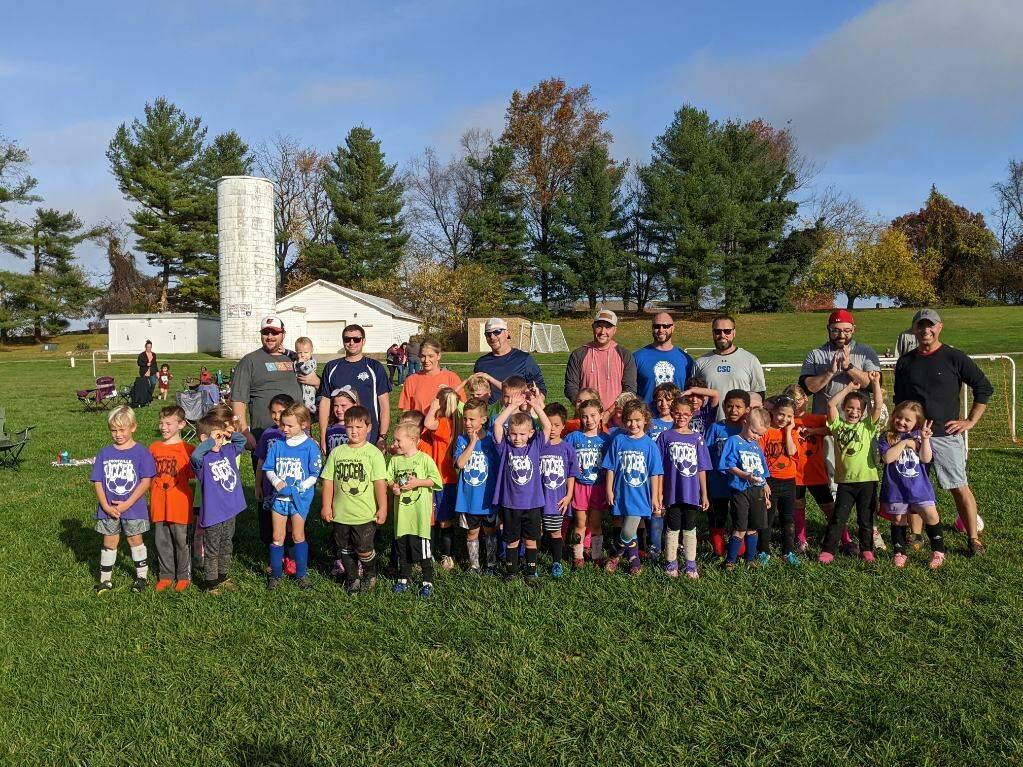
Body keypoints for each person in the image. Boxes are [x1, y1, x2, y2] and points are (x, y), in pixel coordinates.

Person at [894, 308, 993, 555]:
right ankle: (916, 536)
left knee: (958, 486)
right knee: (914, 487)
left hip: (946, 436)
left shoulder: (954, 357)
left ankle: (973, 539)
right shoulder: (905, 362)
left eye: (930, 325)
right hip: (914, 438)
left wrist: (969, 421)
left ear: (940, 327)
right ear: (914, 329)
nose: (925, 330)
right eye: (920, 325)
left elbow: (983, 387)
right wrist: (900, 432)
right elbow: (900, 401)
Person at [320, 406, 388, 594]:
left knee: (364, 549)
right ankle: (353, 579)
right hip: (341, 513)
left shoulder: (373, 453)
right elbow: (328, 481)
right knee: (345, 549)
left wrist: (383, 508)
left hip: (364, 514)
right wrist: (326, 506)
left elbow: (380, 483)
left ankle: (370, 574)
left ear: (369, 427)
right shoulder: (337, 452)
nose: (354, 431)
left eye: (359, 427)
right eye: (350, 427)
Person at [818, 373, 884, 564]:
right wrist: (848, 388)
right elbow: (831, 405)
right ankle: (828, 550)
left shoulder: (868, 427)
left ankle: (867, 549)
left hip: (867, 481)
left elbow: (878, 406)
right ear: (844, 409)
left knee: (865, 519)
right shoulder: (837, 425)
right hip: (845, 483)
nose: (854, 412)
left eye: (858, 409)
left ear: (863, 412)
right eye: (849, 408)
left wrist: (875, 383)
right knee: (838, 518)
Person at [91, 405, 157, 593]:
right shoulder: (104, 453)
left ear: (133, 427)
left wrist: (127, 503)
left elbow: (146, 481)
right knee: (109, 542)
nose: (118, 434)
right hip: (108, 510)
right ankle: (105, 580)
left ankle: (142, 577)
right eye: (113, 430)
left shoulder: (141, 452)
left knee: (135, 540)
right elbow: (97, 481)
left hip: (133, 508)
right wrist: (105, 505)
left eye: (122, 430)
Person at [493, 387, 552, 587]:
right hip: (511, 504)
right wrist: (512, 406)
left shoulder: (535, 446)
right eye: (513, 434)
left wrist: (536, 406)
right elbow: (497, 424)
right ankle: (511, 572)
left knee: (531, 540)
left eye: (521, 434)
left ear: (531, 433)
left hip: (532, 504)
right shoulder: (505, 447)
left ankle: (531, 572)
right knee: (512, 540)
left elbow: (547, 426)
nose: (517, 438)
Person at [879, 401, 945, 569]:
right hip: (896, 489)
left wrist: (925, 439)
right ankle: (899, 552)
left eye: (907, 420)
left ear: (917, 422)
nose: (901, 422)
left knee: (931, 516)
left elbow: (926, 458)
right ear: (893, 416)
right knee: (898, 519)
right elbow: (887, 458)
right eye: (899, 417)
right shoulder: (887, 436)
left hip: (919, 488)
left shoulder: (919, 436)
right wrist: (904, 443)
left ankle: (938, 552)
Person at [263, 403, 323, 591]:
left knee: (298, 535)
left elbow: (315, 474)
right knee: (277, 536)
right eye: (283, 425)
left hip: (299, 499)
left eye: (290, 425)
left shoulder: (310, 446)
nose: (285, 429)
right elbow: (268, 468)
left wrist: (300, 487)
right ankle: (276, 574)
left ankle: (302, 574)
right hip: (280, 499)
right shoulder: (278, 445)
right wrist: (277, 482)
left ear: (303, 424)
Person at [602, 400, 664, 577]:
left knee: (629, 529)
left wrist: (655, 496)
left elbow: (655, 473)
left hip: (641, 495)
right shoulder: (619, 440)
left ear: (645, 419)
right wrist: (609, 490)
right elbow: (610, 468)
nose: (633, 424)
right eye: (629, 420)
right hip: (622, 493)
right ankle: (634, 562)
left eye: (637, 420)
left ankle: (614, 555)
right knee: (629, 529)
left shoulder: (650, 444)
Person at [231, 316, 307, 459]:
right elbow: (238, 400)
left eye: (275, 332)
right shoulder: (249, 361)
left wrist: (316, 381)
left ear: (283, 334)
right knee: (265, 473)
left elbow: (315, 386)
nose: (270, 336)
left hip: (297, 435)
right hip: (265, 436)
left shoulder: (295, 358)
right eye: (266, 332)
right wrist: (244, 432)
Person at [190, 411, 248, 594]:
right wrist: (209, 442)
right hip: (214, 512)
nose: (220, 440)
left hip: (230, 509)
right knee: (212, 547)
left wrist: (229, 434)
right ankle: (210, 583)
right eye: (217, 437)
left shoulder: (227, 451)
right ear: (204, 439)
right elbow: (195, 456)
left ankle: (222, 576)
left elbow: (242, 442)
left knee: (226, 543)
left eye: (222, 437)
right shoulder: (203, 460)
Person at [658, 397, 711, 579]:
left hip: (691, 493)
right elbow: (658, 468)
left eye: (686, 414)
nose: (681, 417)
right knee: (672, 527)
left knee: (690, 528)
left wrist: (704, 494)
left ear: (692, 414)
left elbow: (702, 468)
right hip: (672, 492)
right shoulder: (665, 436)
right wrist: (659, 493)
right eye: (678, 413)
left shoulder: (697, 438)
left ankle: (690, 564)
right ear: (672, 412)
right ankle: (671, 562)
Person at [388, 422, 443, 597]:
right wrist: (394, 487)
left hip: (419, 517)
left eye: (398, 440)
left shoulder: (424, 459)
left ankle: (427, 582)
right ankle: (403, 579)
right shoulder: (395, 460)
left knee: (423, 551)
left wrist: (418, 482)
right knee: (402, 550)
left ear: (412, 440)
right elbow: (389, 479)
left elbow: (436, 481)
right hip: (402, 517)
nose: (395, 444)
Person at [784, 384, 839, 553]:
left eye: (797, 400)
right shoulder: (785, 420)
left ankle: (844, 538)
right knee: (797, 505)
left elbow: (834, 429)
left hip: (815, 472)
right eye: (791, 402)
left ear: (805, 399)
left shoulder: (816, 418)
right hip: (795, 473)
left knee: (829, 507)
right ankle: (801, 539)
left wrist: (814, 431)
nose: (795, 405)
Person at [317, 324, 391, 449]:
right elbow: (325, 402)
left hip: (369, 435)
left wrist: (382, 437)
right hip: (338, 435)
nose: (351, 342)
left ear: (363, 341)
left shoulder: (374, 367)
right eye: (347, 339)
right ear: (343, 341)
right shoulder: (331, 367)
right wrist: (323, 436)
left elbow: (384, 405)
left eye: (356, 339)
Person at [799, 309, 881, 416]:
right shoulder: (815, 354)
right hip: (824, 420)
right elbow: (807, 388)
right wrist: (830, 373)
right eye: (836, 331)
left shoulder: (866, 352)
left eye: (847, 331)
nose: (841, 335)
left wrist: (849, 368)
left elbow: (873, 385)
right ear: (828, 329)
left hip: (858, 421)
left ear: (853, 329)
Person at [718, 406, 772, 570]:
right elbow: (728, 465)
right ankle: (730, 561)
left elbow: (761, 470)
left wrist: (765, 486)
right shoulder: (733, 441)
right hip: (740, 490)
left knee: (753, 528)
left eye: (760, 435)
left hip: (757, 491)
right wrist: (745, 475)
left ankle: (750, 560)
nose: (756, 436)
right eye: (754, 432)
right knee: (740, 527)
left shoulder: (756, 446)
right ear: (745, 422)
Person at [149, 405, 195, 592]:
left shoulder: (188, 449)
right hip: (159, 504)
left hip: (180, 506)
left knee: (182, 542)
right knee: (162, 542)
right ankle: (166, 575)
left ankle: (184, 576)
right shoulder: (154, 448)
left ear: (181, 424)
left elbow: (195, 477)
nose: (163, 427)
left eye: (168, 423)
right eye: (161, 423)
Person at [454, 398, 501, 574]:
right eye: (465, 418)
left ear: (483, 419)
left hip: (488, 499)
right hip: (469, 499)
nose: (467, 423)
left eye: (472, 419)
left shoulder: (492, 440)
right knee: (472, 533)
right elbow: (460, 464)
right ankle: (474, 566)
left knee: (490, 531)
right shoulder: (462, 440)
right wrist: (472, 442)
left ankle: (491, 564)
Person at [704, 390, 751, 558]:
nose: (734, 410)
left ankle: (739, 549)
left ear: (747, 409)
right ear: (723, 406)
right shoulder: (716, 428)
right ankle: (718, 550)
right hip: (718, 482)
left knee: (740, 516)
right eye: (730, 406)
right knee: (718, 516)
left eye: (738, 407)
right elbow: (706, 454)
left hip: (740, 483)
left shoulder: (748, 429)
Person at [565, 397, 611, 568]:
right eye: (585, 416)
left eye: (593, 415)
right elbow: (564, 458)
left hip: (598, 487)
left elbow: (611, 464)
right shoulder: (573, 437)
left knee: (596, 524)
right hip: (579, 487)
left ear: (601, 415)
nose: (589, 420)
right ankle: (578, 557)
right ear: (580, 417)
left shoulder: (606, 439)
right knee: (580, 524)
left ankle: (597, 555)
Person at [564, 309, 637, 413]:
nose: (603, 332)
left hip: (616, 417)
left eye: (608, 327)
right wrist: (586, 411)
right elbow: (571, 387)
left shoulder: (625, 355)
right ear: (593, 327)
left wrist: (609, 413)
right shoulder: (578, 354)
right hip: (586, 417)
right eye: (599, 326)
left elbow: (630, 390)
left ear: (615, 330)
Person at [694, 315, 766, 419]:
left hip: (741, 426)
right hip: (710, 425)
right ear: (713, 333)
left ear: (734, 332)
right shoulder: (701, 362)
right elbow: (693, 395)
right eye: (717, 331)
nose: (722, 335)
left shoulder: (750, 360)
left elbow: (759, 396)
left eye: (727, 331)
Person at [423, 387, 463, 571]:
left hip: (442, 480)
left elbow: (428, 422)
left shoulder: (444, 423)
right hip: (446, 479)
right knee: (439, 518)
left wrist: (433, 407)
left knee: (442, 519)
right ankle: (441, 553)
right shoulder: (453, 422)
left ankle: (447, 555)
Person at [758, 397, 799, 566]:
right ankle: (763, 550)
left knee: (788, 517)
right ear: (773, 412)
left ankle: (788, 551)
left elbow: (791, 451)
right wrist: (763, 481)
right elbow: (759, 456)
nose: (784, 419)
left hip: (789, 480)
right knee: (767, 517)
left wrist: (788, 431)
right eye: (781, 414)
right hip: (770, 480)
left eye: (789, 416)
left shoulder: (791, 432)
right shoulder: (765, 431)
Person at [539, 402, 576, 579]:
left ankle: (556, 562)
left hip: (557, 500)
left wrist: (569, 495)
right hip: (537, 500)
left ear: (563, 426)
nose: (552, 429)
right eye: (549, 424)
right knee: (536, 532)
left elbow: (571, 474)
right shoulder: (538, 445)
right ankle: (532, 563)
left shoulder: (567, 448)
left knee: (555, 532)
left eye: (556, 425)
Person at [254, 394, 294, 557]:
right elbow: (261, 461)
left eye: (281, 412)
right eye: (273, 412)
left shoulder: (297, 434)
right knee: (271, 525)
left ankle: (291, 557)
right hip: (270, 489)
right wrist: (258, 485)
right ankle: (276, 557)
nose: (277, 416)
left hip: (291, 491)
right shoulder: (267, 434)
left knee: (291, 524)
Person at [473, 317, 547, 404]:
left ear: (506, 333)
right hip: (490, 411)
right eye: (488, 334)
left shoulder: (524, 359)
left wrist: (535, 398)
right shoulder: (481, 363)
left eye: (497, 332)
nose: (492, 337)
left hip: (517, 410)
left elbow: (540, 390)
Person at [633, 312, 695, 407]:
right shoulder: (637, 357)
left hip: (676, 415)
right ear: (652, 328)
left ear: (672, 328)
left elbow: (691, 392)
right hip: (647, 414)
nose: (661, 330)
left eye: (665, 326)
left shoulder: (686, 360)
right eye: (657, 326)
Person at [399, 339, 464, 415]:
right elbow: (406, 412)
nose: (426, 360)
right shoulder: (411, 380)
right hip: (420, 422)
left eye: (431, 356)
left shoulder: (452, 378)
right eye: (423, 356)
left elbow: (462, 409)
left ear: (438, 356)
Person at [324, 387, 359, 453]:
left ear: (354, 406)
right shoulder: (329, 428)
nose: (339, 409)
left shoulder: (360, 428)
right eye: (336, 405)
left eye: (343, 405)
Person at [294, 336, 318, 415]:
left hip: (309, 387)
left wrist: (301, 363)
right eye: (299, 352)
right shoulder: (297, 360)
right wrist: (285, 351)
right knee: (300, 404)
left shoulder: (312, 362)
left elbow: (306, 370)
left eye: (306, 352)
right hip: (299, 386)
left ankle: (313, 413)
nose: (303, 355)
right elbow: (291, 354)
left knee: (308, 403)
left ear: (311, 351)